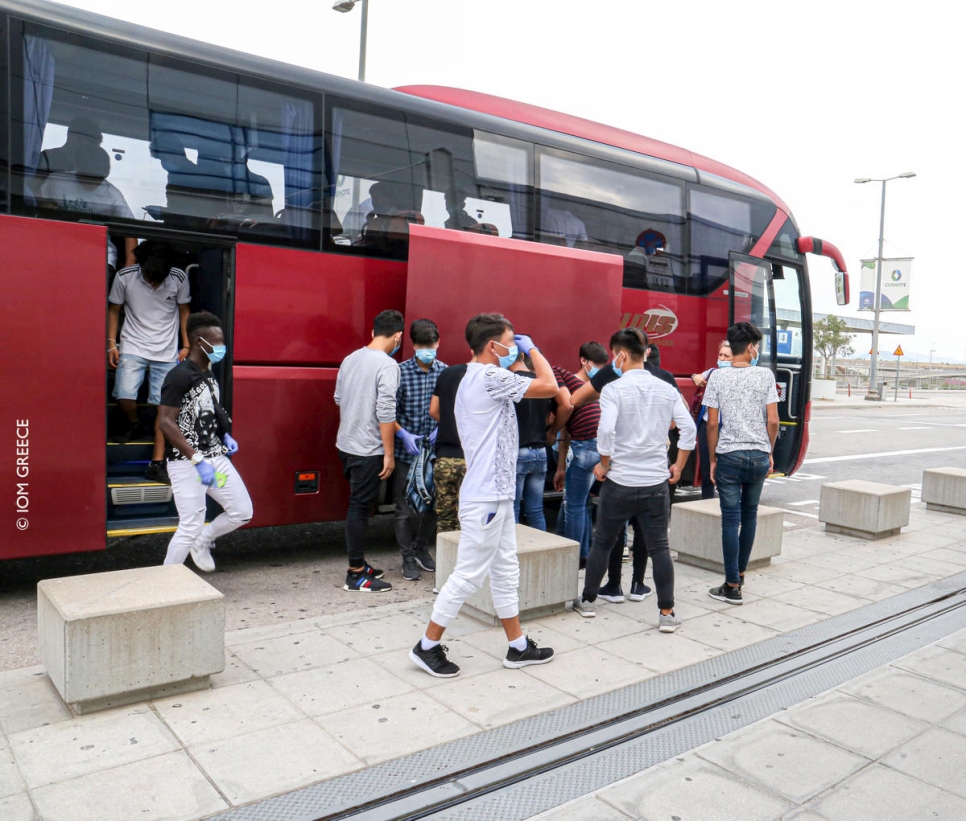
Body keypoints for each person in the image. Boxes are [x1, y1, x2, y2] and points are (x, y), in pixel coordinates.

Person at [410, 315, 558, 677]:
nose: (514, 347)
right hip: (487, 494)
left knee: (506, 568)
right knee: (469, 575)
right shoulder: (489, 376)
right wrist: (533, 348)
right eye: (510, 341)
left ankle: (517, 646)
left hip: (496, 493)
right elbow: (550, 386)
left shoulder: (470, 378)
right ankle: (426, 646)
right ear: (494, 346)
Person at [571, 329, 696, 632]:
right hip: (655, 484)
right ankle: (667, 613)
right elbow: (688, 430)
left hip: (620, 482)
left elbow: (606, 431)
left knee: (604, 542)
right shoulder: (667, 388)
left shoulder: (614, 389)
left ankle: (588, 601)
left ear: (621, 355)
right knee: (660, 549)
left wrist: (604, 464)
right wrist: (677, 466)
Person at [158, 312, 252, 571]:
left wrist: (225, 436)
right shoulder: (179, 376)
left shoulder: (207, 374)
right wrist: (196, 459)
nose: (222, 348)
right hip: (189, 466)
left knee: (242, 511)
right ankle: (163, 584)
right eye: (218, 343)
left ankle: (204, 540)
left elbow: (209, 412)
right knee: (190, 525)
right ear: (201, 342)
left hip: (215, 463)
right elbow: (165, 421)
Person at [703, 322, 779, 605]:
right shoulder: (765, 376)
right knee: (749, 515)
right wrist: (768, 451)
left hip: (729, 456)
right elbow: (773, 420)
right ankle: (741, 573)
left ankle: (732, 584)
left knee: (730, 520)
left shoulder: (717, 378)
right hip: (758, 455)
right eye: (756, 346)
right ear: (750, 348)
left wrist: (712, 458)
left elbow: (712, 424)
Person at [107, 240, 191, 483]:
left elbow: (184, 312)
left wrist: (185, 345)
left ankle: (157, 463)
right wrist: (111, 343)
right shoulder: (125, 277)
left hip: (166, 350)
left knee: (164, 409)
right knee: (124, 395)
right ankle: (134, 423)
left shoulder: (178, 277)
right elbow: (114, 309)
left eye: (159, 278)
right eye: (151, 277)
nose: (155, 282)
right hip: (132, 345)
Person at [334, 309, 405, 592]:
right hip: (368, 449)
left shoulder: (350, 358)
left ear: (373, 332)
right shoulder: (388, 365)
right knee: (359, 509)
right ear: (398, 336)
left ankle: (360, 564)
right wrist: (388, 453)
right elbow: (385, 412)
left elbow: (338, 397)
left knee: (358, 506)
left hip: (346, 444)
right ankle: (355, 575)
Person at [394, 319, 446, 581]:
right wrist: (402, 433)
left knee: (433, 506)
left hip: (435, 453)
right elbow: (387, 411)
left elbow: (453, 409)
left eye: (431, 345)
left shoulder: (445, 372)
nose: (427, 349)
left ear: (438, 343)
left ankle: (421, 549)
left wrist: (442, 428)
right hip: (408, 453)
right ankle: (406, 558)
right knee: (404, 509)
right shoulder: (400, 372)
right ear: (414, 345)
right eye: (422, 345)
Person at [553, 342, 610, 565]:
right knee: (583, 502)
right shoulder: (594, 390)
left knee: (574, 505)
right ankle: (584, 553)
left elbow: (566, 409)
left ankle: (573, 559)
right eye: (595, 365)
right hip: (598, 448)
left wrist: (552, 430)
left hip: (584, 447)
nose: (598, 370)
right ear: (583, 361)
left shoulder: (563, 375)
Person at [509, 353, 571, 530]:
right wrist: (553, 432)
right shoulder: (542, 384)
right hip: (540, 452)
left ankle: (514, 553)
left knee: (512, 510)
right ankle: (541, 550)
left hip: (517, 452)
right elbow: (566, 405)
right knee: (536, 509)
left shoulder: (508, 382)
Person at [430, 358, 473, 535]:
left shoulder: (447, 373)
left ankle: (446, 560)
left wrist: (449, 423)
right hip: (471, 459)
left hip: (445, 457)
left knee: (446, 518)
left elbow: (433, 410)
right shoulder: (487, 377)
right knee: (469, 517)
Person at [690, 341, 733, 499]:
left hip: (727, 426)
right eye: (720, 355)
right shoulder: (713, 372)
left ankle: (727, 502)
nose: (722, 359)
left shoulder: (738, 376)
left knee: (726, 468)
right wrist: (695, 377)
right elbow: (697, 376)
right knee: (707, 466)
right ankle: (707, 500)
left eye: (726, 356)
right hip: (707, 424)